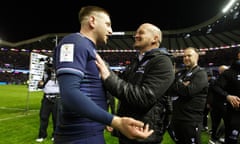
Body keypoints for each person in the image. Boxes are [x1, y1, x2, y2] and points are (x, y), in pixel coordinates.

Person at [53, 5, 153, 144]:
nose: (111, 31)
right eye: (107, 24)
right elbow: (69, 94)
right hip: (78, 136)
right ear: (92, 21)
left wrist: (104, 117)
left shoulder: (90, 49)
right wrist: (115, 121)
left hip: (92, 132)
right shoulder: (74, 42)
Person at [95, 23, 175, 144]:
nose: (135, 35)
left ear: (155, 38)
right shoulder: (136, 61)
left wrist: (108, 76)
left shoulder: (163, 62)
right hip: (127, 127)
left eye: (141, 33)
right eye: (136, 33)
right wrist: (116, 119)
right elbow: (123, 90)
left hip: (144, 132)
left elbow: (143, 97)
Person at [168, 47, 209, 144]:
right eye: (184, 56)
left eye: (189, 55)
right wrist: (182, 85)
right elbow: (170, 89)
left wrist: (178, 85)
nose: (186, 58)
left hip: (191, 120)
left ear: (197, 57)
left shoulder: (200, 73)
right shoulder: (181, 73)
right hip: (176, 118)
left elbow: (189, 91)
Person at [212, 52, 240, 144]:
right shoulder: (230, 72)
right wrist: (228, 96)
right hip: (234, 113)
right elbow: (216, 87)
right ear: (239, 55)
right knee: (232, 139)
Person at [36, 58, 60, 143]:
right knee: (43, 117)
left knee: (56, 118)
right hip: (46, 98)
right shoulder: (44, 74)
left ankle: (55, 135)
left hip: (57, 98)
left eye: (51, 66)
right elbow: (40, 86)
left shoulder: (60, 74)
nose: (50, 67)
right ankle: (42, 135)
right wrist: (40, 84)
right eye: (49, 66)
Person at [208, 65, 229, 144]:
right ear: (221, 71)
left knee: (228, 123)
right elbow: (210, 93)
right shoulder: (214, 80)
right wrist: (209, 103)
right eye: (225, 71)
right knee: (215, 124)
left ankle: (220, 137)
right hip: (216, 105)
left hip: (226, 105)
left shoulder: (228, 80)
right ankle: (214, 138)